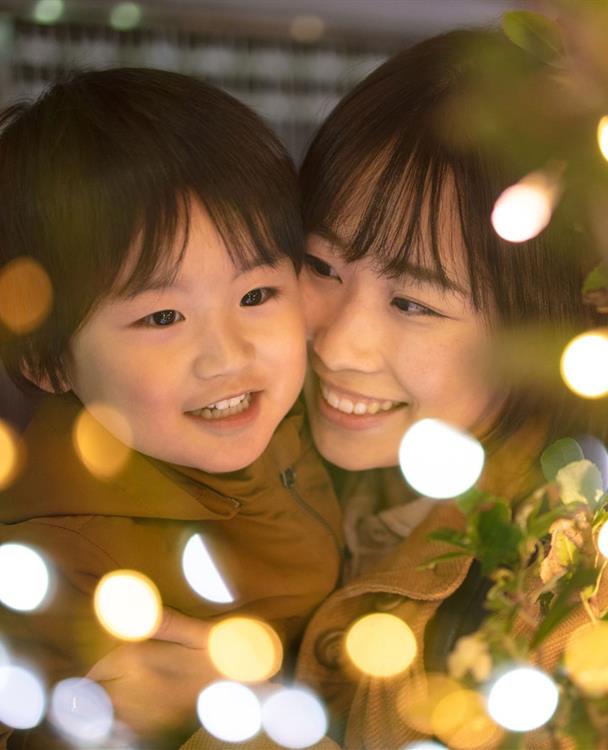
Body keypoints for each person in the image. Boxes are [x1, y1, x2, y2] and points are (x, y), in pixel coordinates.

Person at [182, 27, 608, 750]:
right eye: (320, 266)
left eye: (414, 303)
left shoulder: (562, 606)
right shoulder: (229, 452)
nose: (339, 342)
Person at [0, 68, 343, 748]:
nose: (227, 356)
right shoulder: (63, 561)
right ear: (49, 360)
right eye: (162, 316)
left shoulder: (322, 406)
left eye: (257, 296)